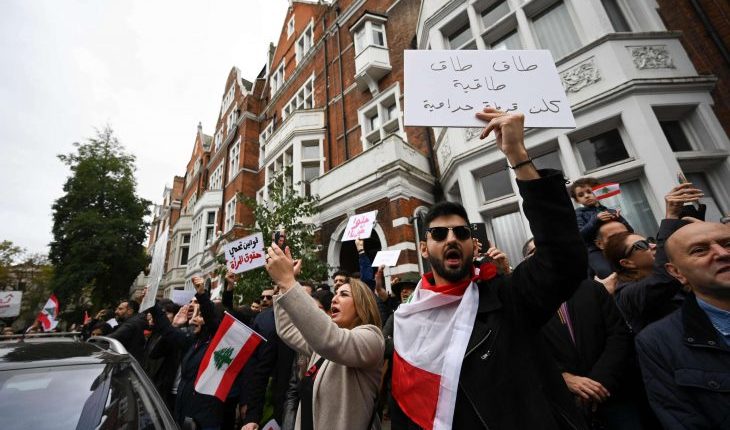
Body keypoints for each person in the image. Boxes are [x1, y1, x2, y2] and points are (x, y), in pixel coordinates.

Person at [390, 108, 587, 430]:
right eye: (438, 234)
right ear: (424, 248)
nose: (451, 239)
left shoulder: (509, 298)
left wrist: (518, 155)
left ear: (473, 244)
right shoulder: (405, 319)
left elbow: (563, 258)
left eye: (461, 232)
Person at [261, 244, 384, 430]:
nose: (334, 299)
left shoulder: (371, 338)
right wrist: (282, 286)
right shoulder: (320, 349)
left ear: (362, 304)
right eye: (336, 294)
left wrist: (288, 281)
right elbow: (288, 329)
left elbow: (332, 340)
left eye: (344, 294)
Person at [528, 237, 640, 429]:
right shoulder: (527, 305)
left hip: (613, 393)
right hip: (565, 404)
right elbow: (528, 352)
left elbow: (618, 335)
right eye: (535, 251)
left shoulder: (591, 289)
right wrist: (562, 378)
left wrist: (595, 383)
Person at [635, 220, 730, 428]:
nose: (722, 253)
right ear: (676, 272)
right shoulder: (658, 343)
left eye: (728, 244)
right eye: (699, 250)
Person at [603, 183, 703, 334]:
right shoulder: (626, 294)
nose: (654, 245)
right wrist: (670, 217)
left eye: (650, 241)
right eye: (643, 245)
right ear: (627, 263)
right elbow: (663, 280)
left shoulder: (677, 270)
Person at [148, 276, 223, 429]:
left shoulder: (217, 343)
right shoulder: (192, 340)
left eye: (200, 315)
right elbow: (168, 332)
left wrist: (202, 294)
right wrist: (153, 305)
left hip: (203, 415)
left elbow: (212, 320)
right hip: (182, 409)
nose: (195, 318)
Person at [570, 177, 633, 278]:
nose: (586, 196)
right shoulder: (578, 213)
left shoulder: (610, 211)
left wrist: (619, 219)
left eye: (589, 192)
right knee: (606, 272)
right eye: (581, 195)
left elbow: (630, 232)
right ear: (577, 200)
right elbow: (580, 236)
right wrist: (595, 220)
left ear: (598, 192)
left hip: (616, 248)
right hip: (594, 250)